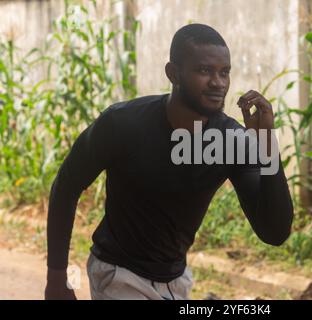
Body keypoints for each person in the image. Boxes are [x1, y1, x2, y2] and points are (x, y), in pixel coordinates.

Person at [45, 23, 293, 300]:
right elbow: (66, 187)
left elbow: (274, 232)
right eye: (204, 71)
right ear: (173, 73)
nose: (218, 82)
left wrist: (268, 145)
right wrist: (58, 278)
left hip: (176, 281)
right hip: (118, 275)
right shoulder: (122, 123)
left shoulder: (230, 139)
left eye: (224, 72)